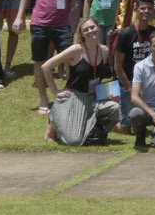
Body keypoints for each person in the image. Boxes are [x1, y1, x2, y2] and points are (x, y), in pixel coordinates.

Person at [15, 0, 84, 114]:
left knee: (71, 60)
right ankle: (44, 99)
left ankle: (70, 97)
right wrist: (20, 16)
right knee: (40, 61)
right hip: (40, 23)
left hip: (62, 25)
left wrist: (71, 19)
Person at [42, 17, 123, 146]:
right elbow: (46, 66)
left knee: (115, 108)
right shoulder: (76, 49)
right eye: (86, 30)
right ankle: (54, 122)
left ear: (98, 27)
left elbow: (97, 76)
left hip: (94, 96)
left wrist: (105, 94)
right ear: (81, 34)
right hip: (75, 97)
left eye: (93, 27)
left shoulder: (105, 50)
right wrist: (56, 90)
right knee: (74, 141)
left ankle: (90, 130)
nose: (91, 31)